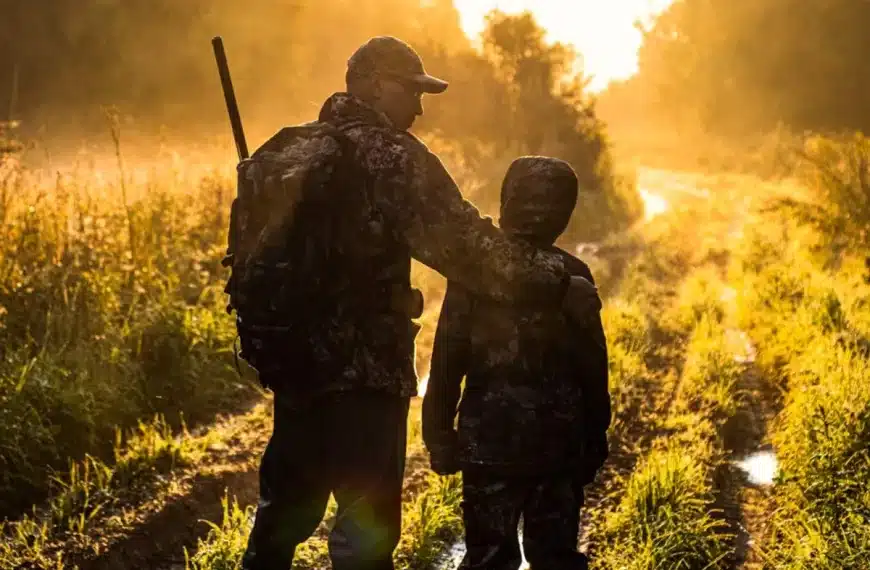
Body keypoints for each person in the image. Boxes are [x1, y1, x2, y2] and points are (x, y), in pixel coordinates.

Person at [238, 37, 602, 570]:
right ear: (377, 84)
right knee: (364, 524)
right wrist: (554, 281)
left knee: (286, 509)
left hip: (294, 363)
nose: (420, 105)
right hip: (364, 370)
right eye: (412, 90)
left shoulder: (285, 149)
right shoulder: (389, 156)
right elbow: (464, 245)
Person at [422, 156, 611, 570]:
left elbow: (447, 358)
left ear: (507, 201)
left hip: (489, 444)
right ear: (565, 212)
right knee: (555, 557)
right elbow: (593, 365)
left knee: (488, 557)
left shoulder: (474, 275)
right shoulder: (573, 275)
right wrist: (596, 433)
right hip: (558, 444)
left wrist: (438, 434)